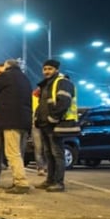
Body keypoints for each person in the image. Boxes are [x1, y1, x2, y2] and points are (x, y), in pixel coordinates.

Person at [0, 59, 33, 194]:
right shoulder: (25, 78)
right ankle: (17, 181)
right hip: (24, 121)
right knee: (17, 152)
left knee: (12, 153)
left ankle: (21, 183)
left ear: (7, 67)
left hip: (11, 120)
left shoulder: (6, 76)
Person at [34, 59, 78, 192]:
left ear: (56, 70)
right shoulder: (47, 84)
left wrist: (53, 118)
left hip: (57, 124)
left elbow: (64, 102)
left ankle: (59, 182)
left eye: (50, 69)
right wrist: (38, 119)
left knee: (57, 154)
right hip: (45, 124)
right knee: (49, 154)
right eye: (45, 69)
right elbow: (43, 105)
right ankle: (50, 180)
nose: (47, 71)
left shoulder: (62, 82)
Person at [31, 87, 47, 176]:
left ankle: (43, 167)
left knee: (41, 147)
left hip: (40, 124)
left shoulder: (36, 97)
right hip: (36, 124)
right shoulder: (34, 97)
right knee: (40, 147)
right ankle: (41, 167)